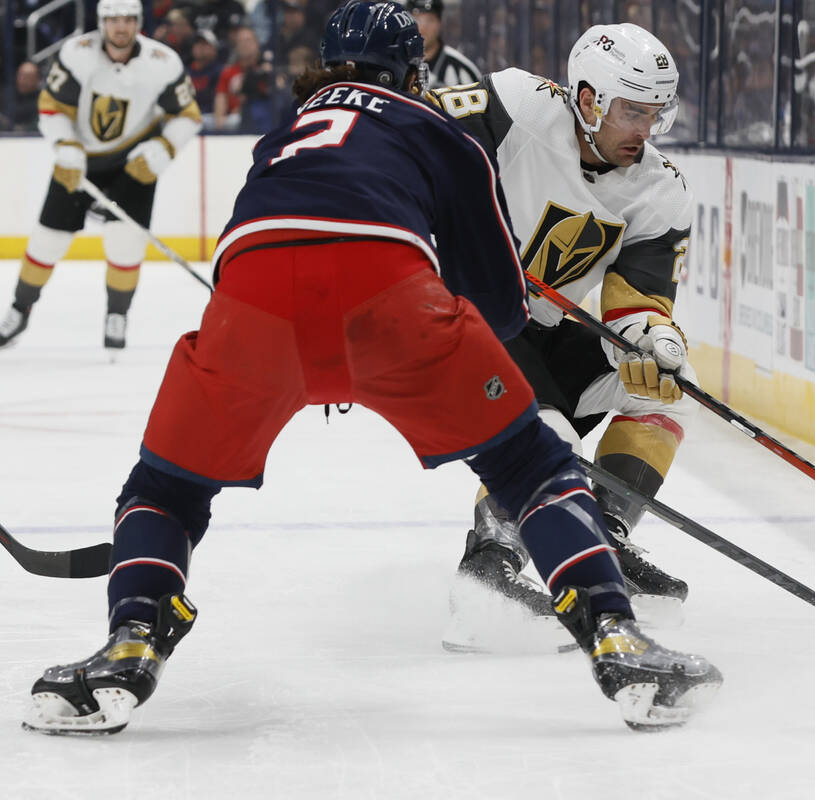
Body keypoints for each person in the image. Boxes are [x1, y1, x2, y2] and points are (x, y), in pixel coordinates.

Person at [21, 1, 720, 736]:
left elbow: (239, 247)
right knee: (535, 466)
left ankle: (131, 637)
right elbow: (496, 305)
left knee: (164, 487)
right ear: (415, 73)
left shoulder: (284, 132)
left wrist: (295, 351)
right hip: (391, 296)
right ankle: (613, 633)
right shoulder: (439, 123)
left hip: (255, 303)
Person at [424, 23, 698, 649]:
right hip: (470, 321)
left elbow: (637, 302)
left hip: (546, 328)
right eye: (632, 111)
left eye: (655, 114)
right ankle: (491, 562)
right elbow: (412, 138)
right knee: (544, 435)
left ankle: (602, 532)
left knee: (665, 386)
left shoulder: (661, 188)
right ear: (588, 97)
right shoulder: (516, 107)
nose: (645, 130)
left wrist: (653, 339)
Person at [0, 0, 201, 350]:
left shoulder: (163, 62)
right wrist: (65, 145)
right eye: (112, 19)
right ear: (100, 22)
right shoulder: (76, 54)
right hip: (80, 159)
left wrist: (162, 150)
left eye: (127, 19)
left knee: (126, 245)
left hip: (136, 162)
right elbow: (51, 107)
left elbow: (187, 115)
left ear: (138, 22)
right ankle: (19, 309)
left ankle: (117, 314)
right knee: (47, 240)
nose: (120, 27)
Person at [404, 0, 482, 89]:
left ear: (440, 24)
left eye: (429, 20)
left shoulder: (461, 70)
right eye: (416, 19)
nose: (422, 28)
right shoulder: (393, 63)